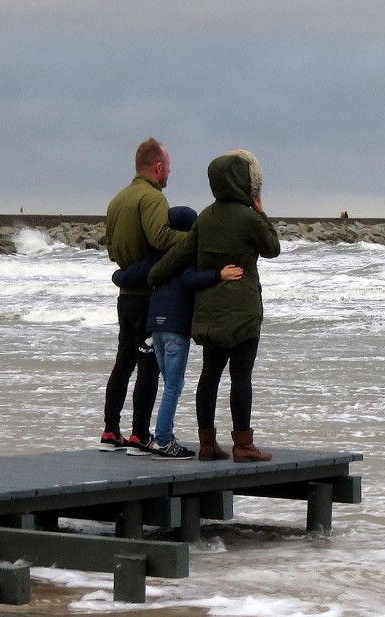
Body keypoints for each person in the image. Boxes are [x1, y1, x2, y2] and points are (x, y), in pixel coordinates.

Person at [148, 149, 280, 462]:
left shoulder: (205, 217)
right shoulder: (248, 218)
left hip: (209, 313)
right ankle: (243, 445)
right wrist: (261, 212)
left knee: (210, 375)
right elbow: (272, 248)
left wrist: (154, 275)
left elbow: (179, 256)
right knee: (241, 376)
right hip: (244, 312)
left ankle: (207, 443)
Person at [112, 206, 244, 460]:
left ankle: (165, 436)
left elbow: (131, 276)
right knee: (174, 385)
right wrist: (219, 274)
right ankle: (163, 441)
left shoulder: (157, 255)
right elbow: (189, 280)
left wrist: (117, 274)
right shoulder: (187, 254)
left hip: (154, 326)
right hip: (174, 327)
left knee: (168, 384)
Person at [100, 137, 189, 455]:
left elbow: (110, 249)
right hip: (148, 296)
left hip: (126, 295)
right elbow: (161, 237)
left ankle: (110, 431)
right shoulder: (152, 198)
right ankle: (139, 435)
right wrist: (196, 237)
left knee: (123, 362)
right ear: (158, 166)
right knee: (148, 364)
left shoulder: (117, 199)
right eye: (169, 167)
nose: (169, 174)